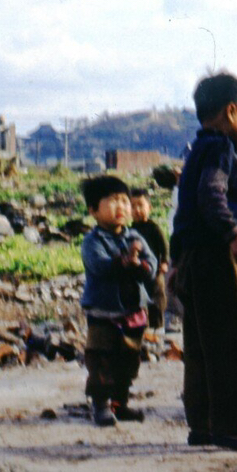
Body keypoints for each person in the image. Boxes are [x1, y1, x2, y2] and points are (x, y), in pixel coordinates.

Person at [170, 71, 237, 451]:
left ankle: (204, 425)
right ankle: (232, 426)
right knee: (233, 339)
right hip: (215, 257)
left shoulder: (195, 150)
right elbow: (212, 197)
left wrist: (176, 261)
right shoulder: (220, 149)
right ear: (231, 111)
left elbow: (183, 212)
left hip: (192, 258)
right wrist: (234, 235)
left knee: (200, 346)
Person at [80, 175, 158, 427]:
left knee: (128, 361)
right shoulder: (92, 242)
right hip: (103, 314)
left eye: (125, 201)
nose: (122, 207)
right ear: (93, 210)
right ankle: (101, 405)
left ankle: (120, 404)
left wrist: (140, 265)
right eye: (113, 201)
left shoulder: (135, 238)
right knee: (101, 360)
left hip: (133, 312)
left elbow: (152, 267)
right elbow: (100, 267)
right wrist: (125, 262)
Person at [129, 188, 169, 332]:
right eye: (133, 206)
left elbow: (164, 246)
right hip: (138, 271)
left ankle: (158, 325)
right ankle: (142, 326)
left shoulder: (153, 228)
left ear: (149, 208)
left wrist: (164, 262)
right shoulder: (130, 230)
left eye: (140, 205)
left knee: (157, 297)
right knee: (138, 298)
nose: (137, 210)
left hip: (155, 270)